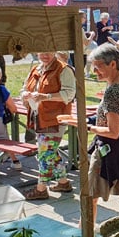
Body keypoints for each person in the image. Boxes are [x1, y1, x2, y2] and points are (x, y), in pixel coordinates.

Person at [59, 44, 119, 219]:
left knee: (90, 197)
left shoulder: (113, 91)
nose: (95, 71)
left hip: (109, 151)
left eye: (98, 67)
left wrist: (85, 126)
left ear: (113, 64)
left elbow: (113, 132)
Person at [21, 52, 76, 200]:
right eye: (42, 52)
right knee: (50, 151)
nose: (45, 55)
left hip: (55, 119)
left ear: (55, 52)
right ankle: (63, 183)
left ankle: (41, 190)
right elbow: (24, 88)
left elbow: (69, 94)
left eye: (49, 52)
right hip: (39, 117)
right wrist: (25, 95)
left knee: (45, 154)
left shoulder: (64, 69)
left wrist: (46, 97)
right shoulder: (36, 69)